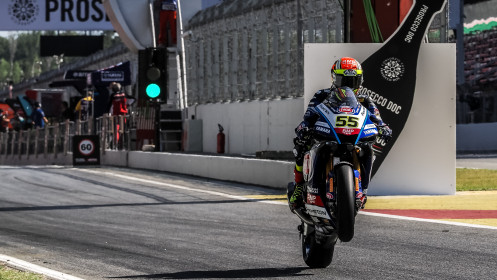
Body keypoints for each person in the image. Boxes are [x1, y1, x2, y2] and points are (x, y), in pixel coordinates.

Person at [289, 57, 392, 211]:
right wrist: (304, 127)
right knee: (301, 145)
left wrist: (383, 127)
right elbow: (309, 115)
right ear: (334, 78)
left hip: (354, 136)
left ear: (360, 81)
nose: (348, 86)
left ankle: (362, 190)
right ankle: (299, 186)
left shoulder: (365, 99)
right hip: (328, 134)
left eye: (353, 81)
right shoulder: (322, 95)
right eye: (343, 80)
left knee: (368, 148)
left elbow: (376, 117)